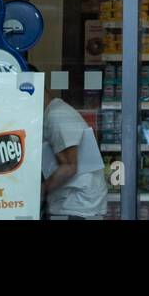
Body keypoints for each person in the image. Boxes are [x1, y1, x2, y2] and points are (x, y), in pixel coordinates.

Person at [39, 79, 108, 220]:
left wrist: (40, 190)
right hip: (71, 201)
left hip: (76, 204)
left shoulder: (57, 115)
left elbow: (70, 166)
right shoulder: (51, 114)